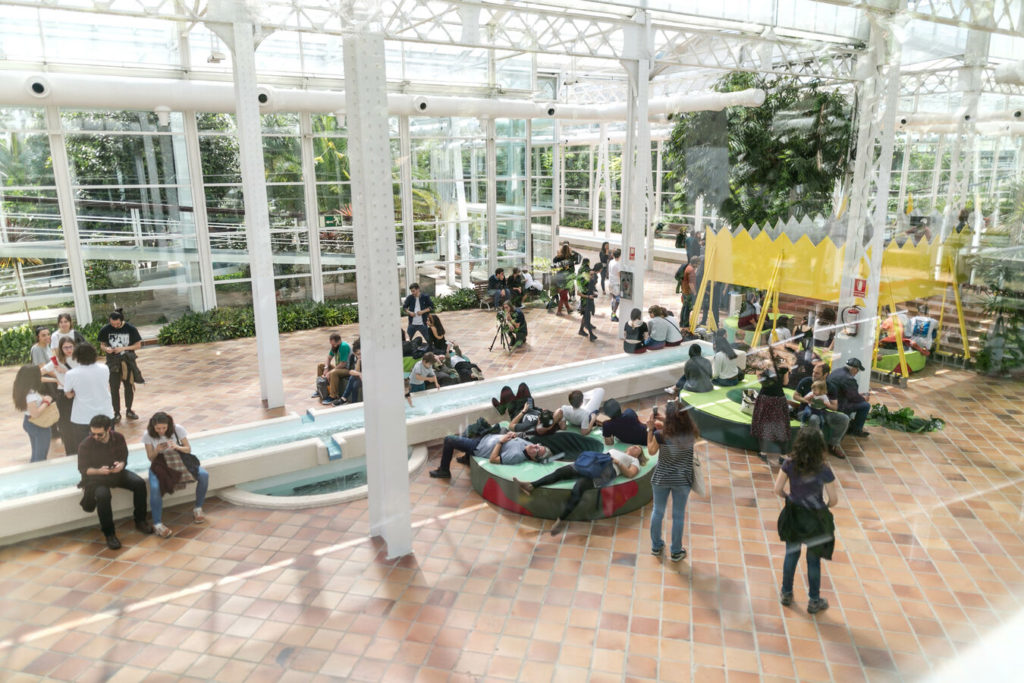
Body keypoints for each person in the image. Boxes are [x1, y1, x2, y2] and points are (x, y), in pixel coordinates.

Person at [774, 425, 839, 614]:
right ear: (820, 445)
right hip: (815, 519)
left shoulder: (789, 463)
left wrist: (789, 498)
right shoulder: (824, 469)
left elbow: (777, 489)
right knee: (813, 560)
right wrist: (825, 506)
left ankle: (786, 593)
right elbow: (833, 499)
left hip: (794, 515)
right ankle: (814, 601)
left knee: (791, 554)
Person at [515, 446, 646, 536]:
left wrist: (618, 462)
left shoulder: (634, 460)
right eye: (634, 446)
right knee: (561, 472)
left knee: (579, 487)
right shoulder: (616, 449)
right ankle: (532, 486)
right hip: (594, 462)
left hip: (606, 470)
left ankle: (561, 519)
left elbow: (630, 474)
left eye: (638, 449)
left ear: (638, 455)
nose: (635, 447)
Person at [76, 414, 152, 549]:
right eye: (92, 433)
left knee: (139, 484)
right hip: (96, 478)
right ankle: (109, 533)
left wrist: (121, 465)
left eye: (99, 434)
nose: (95, 437)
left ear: (108, 429)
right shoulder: (85, 445)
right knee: (103, 495)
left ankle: (140, 520)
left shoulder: (118, 438)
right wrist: (99, 471)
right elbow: (83, 469)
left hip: (117, 473)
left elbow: (124, 457)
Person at [143, 412, 209, 538]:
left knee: (204, 475)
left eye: (164, 428)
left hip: (180, 459)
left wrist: (176, 446)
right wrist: (157, 450)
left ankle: (198, 508)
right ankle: (157, 524)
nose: (161, 431)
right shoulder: (148, 435)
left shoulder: (177, 429)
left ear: (169, 425)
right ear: (153, 426)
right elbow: (151, 458)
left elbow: (188, 449)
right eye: (158, 428)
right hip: (160, 463)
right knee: (155, 487)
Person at [646, 401, 698, 561]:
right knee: (678, 516)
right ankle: (676, 551)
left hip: (661, 478)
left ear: (670, 418)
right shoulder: (692, 433)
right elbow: (676, 429)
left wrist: (650, 429)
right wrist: (666, 420)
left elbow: (651, 451)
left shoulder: (661, 435)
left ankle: (656, 546)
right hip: (682, 480)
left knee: (657, 512)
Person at [62, 343, 114, 455]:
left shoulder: (71, 374)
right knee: (108, 447)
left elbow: (68, 394)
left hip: (83, 417)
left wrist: (76, 392)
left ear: (76, 357)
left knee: (86, 449)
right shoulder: (104, 368)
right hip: (105, 412)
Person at [429, 431, 550, 479]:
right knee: (470, 429)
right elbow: (516, 438)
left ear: (534, 459)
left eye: (537, 450)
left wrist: (501, 441)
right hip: (486, 437)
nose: (535, 446)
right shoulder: (529, 445)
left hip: (479, 446)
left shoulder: (516, 456)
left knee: (449, 439)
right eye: (538, 445)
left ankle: (444, 471)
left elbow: (493, 459)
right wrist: (513, 434)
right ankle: (466, 458)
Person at [793, 362, 849, 459]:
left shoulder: (830, 387)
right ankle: (814, 449)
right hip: (805, 411)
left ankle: (833, 445)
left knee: (844, 418)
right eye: (813, 372)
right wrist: (806, 400)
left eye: (817, 373)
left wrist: (826, 404)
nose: (813, 374)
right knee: (814, 419)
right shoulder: (806, 381)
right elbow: (795, 396)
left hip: (822, 411)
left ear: (825, 374)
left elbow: (834, 407)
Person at [97, 310, 143, 422]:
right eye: (112, 324)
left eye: (117, 324)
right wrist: (106, 349)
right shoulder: (105, 329)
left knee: (128, 386)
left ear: (122, 320)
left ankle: (129, 410)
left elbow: (138, 345)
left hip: (127, 361)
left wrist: (123, 348)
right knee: (114, 388)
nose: (115, 326)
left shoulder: (130, 328)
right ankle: (116, 412)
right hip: (112, 362)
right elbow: (102, 345)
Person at [43, 337, 80, 456]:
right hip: (62, 394)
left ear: (74, 346)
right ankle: (71, 452)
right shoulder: (57, 360)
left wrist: (64, 371)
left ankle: (81, 450)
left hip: (78, 394)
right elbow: (40, 372)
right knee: (65, 424)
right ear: (60, 348)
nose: (68, 350)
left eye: (70, 346)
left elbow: (82, 375)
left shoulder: (79, 359)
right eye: (65, 347)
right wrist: (55, 380)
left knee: (79, 423)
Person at [751, 352, 791, 462]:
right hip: (779, 399)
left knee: (763, 424)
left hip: (765, 398)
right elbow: (785, 382)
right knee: (782, 426)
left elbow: (761, 382)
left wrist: (761, 371)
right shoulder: (783, 368)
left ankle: (763, 453)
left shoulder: (763, 368)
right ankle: (783, 455)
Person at [13, 365, 54, 463]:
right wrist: (46, 402)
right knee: (40, 457)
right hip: (38, 425)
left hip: (29, 422)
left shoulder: (24, 389)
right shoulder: (31, 396)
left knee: (36, 453)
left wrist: (55, 380)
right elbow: (35, 414)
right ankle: (38, 472)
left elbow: (42, 379)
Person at [826, 357, 871, 438]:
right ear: (854, 369)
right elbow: (854, 398)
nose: (857, 373)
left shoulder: (836, 371)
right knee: (865, 405)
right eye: (857, 370)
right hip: (839, 405)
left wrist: (859, 395)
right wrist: (864, 398)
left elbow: (846, 392)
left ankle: (851, 425)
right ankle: (856, 430)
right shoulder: (849, 379)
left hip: (829, 400)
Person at [319, 333, 352, 405]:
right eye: (331, 344)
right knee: (321, 366)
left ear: (339, 341)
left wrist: (330, 371)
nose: (332, 346)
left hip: (347, 369)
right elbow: (328, 358)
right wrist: (326, 368)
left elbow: (343, 364)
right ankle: (321, 388)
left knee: (334, 373)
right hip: (339, 368)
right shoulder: (334, 346)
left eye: (334, 344)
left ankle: (333, 396)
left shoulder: (343, 346)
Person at [553, 244, 576, 315]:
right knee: (563, 295)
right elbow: (572, 269)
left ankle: (568, 309)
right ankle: (559, 311)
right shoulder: (570, 258)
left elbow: (554, 264)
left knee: (563, 294)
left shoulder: (558, 257)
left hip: (558, 277)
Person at [338, 340, 363, 405]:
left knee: (354, 382)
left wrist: (359, 374)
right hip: (359, 377)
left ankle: (345, 398)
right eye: (358, 354)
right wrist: (358, 360)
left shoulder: (367, 358)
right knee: (354, 380)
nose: (361, 355)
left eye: (361, 353)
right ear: (354, 353)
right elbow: (350, 371)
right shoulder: (352, 357)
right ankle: (353, 403)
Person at [577, 269, 599, 342]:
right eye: (591, 274)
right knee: (587, 318)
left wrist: (593, 294)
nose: (592, 276)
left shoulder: (591, 281)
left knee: (585, 317)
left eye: (593, 274)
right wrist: (588, 296)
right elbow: (578, 293)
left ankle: (581, 330)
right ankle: (591, 335)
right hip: (585, 303)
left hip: (590, 303)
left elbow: (590, 291)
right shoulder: (583, 282)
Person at [679, 256, 698, 327]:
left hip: (684, 290)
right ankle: (685, 324)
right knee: (687, 309)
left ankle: (682, 322)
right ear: (695, 263)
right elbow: (691, 283)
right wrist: (694, 292)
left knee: (684, 307)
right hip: (688, 292)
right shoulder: (691, 271)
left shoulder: (687, 267)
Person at [607, 249, 622, 322]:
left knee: (613, 299)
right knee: (617, 300)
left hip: (610, 283)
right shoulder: (617, 264)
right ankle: (613, 314)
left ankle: (613, 314)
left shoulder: (611, 261)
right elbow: (620, 275)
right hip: (616, 284)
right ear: (620, 255)